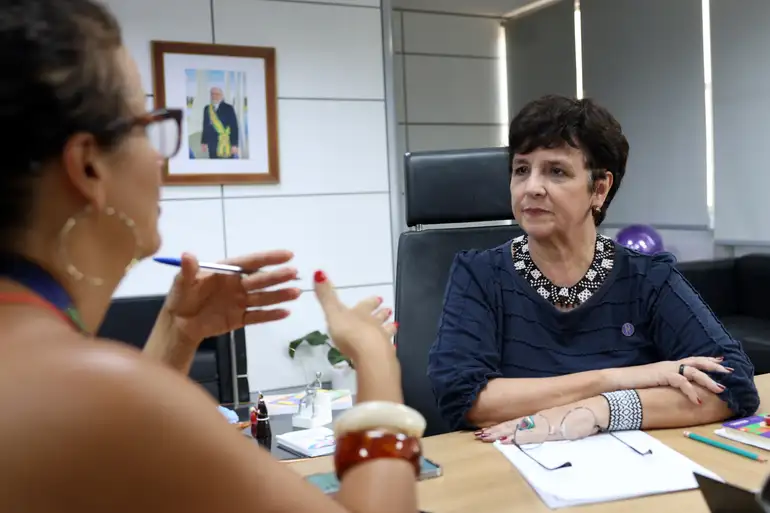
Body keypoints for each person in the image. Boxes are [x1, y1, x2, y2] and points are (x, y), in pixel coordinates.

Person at [0, 2, 423, 512]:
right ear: (88, 165)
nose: (161, 157)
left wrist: (178, 334)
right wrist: (374, 356)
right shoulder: (83, 390)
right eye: (148, 125)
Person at [427, 94, 759, 441]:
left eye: (556, 171)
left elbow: (732, 383)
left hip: (631, 471)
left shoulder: (648, 278)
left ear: (598, 189)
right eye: (521, 170)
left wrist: (601, 409)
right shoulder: (479, 275)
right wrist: (614, 379)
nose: (532, 187)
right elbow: (464, 399)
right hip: (511, 471)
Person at [201, 86, 239, 159]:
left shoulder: (229, 108)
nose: (214, 96)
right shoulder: (207, 109)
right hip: (212, 143)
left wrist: (234, 145)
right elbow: (205, 126)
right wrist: (204, 142)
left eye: (217, 94)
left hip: (226, 142)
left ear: (222, 95)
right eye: (212, 94)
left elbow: (234, 127)